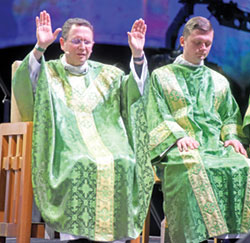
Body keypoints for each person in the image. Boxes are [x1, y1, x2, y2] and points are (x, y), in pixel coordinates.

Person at [12, 10, 154, 242]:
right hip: (64, 146)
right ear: (62, 43)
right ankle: (75, 236)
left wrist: (138, 55)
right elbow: (26, 83)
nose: (82, 46)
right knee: (79, 163)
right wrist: (39, 48)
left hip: (108, 143)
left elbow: (134, 95)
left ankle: (114, 236)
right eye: (76, 41)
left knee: (125, 161)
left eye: (87, 42)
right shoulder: (49, 72)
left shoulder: (109, 74)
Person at [144, 16, 250, 243]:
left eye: (207, 44)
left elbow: (229, 115)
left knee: (242, 163)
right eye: (197, 43)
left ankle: (230, 237)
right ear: (182, 41)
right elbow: (156, 113)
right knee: (192, 166)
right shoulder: (161, 77)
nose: (203, 49)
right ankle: (192, 238)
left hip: (214, 145)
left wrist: (231, 137)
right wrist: (178, 136)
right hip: (179, 147)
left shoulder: (218, 80)